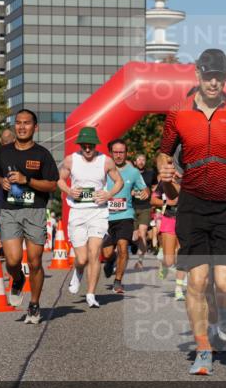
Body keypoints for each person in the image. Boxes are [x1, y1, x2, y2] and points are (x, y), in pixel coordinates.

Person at [158, 48, 226, 376]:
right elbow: (164, 152)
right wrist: (164, 170)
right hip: (192, 206)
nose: (213, 81)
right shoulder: (178, 112)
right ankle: (203, 349)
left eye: (219, 75)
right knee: (197, 281)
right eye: (208, 75)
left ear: (225, 78)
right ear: (198, 75)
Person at [0, 110, 59, 323]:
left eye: (26, 123)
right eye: (18, 123)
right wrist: (2, 182)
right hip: (9, 210)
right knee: (12, 260)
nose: (21, 127)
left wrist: (26, 180)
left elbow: (52, 184)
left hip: (35, 210)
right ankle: (18, 278)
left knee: (35, 260)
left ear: (34, 127)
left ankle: (35, 304)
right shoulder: (3, 152)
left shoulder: (42, 154)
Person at [58, 126, 123, 309]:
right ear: (80, 145)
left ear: (96, 145)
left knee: (95, 252)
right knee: (82, 258)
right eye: (84, 145)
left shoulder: (106, 161)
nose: (88, 149)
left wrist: (109, 194)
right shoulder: (71, 160)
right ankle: (78, 271)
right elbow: (59, 179)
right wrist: (69, 190)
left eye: (91, 146)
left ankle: (91, 293)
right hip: (77, 212)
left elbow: (119, 181)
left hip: (98, 212)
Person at [100, 139, 149, 294]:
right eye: (116, 152)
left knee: (123, 248)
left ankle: (118, 281)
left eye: (122, 152)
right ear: (111, 153)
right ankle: (110, 261)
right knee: (107, 253)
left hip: (125, 215)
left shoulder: (133, 172)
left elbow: (145, 189)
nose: (119, 155)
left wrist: (145, 193)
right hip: (104, 216)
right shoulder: (103, 169)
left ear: (126, 153)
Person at [151, 167, 184, 299]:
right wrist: (166, 202)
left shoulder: (190, 180)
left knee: (183, 253)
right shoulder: (165, 181)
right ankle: (164, 264)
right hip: (169, 218)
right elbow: (153, 200)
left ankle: (179, 288)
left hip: (187, 220)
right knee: (169, 260)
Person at [132, 153, 156, 269]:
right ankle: (133, 245)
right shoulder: (130, 173)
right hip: (131, 207)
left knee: (142, 233)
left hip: (145, 207)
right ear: (134, 162)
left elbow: (155, 186)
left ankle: (140, 261)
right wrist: (129, 192)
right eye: (138, 159)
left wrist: (152, 195)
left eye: (143, 159)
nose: (141, 161)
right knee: (134, 236)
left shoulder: (151, 173)